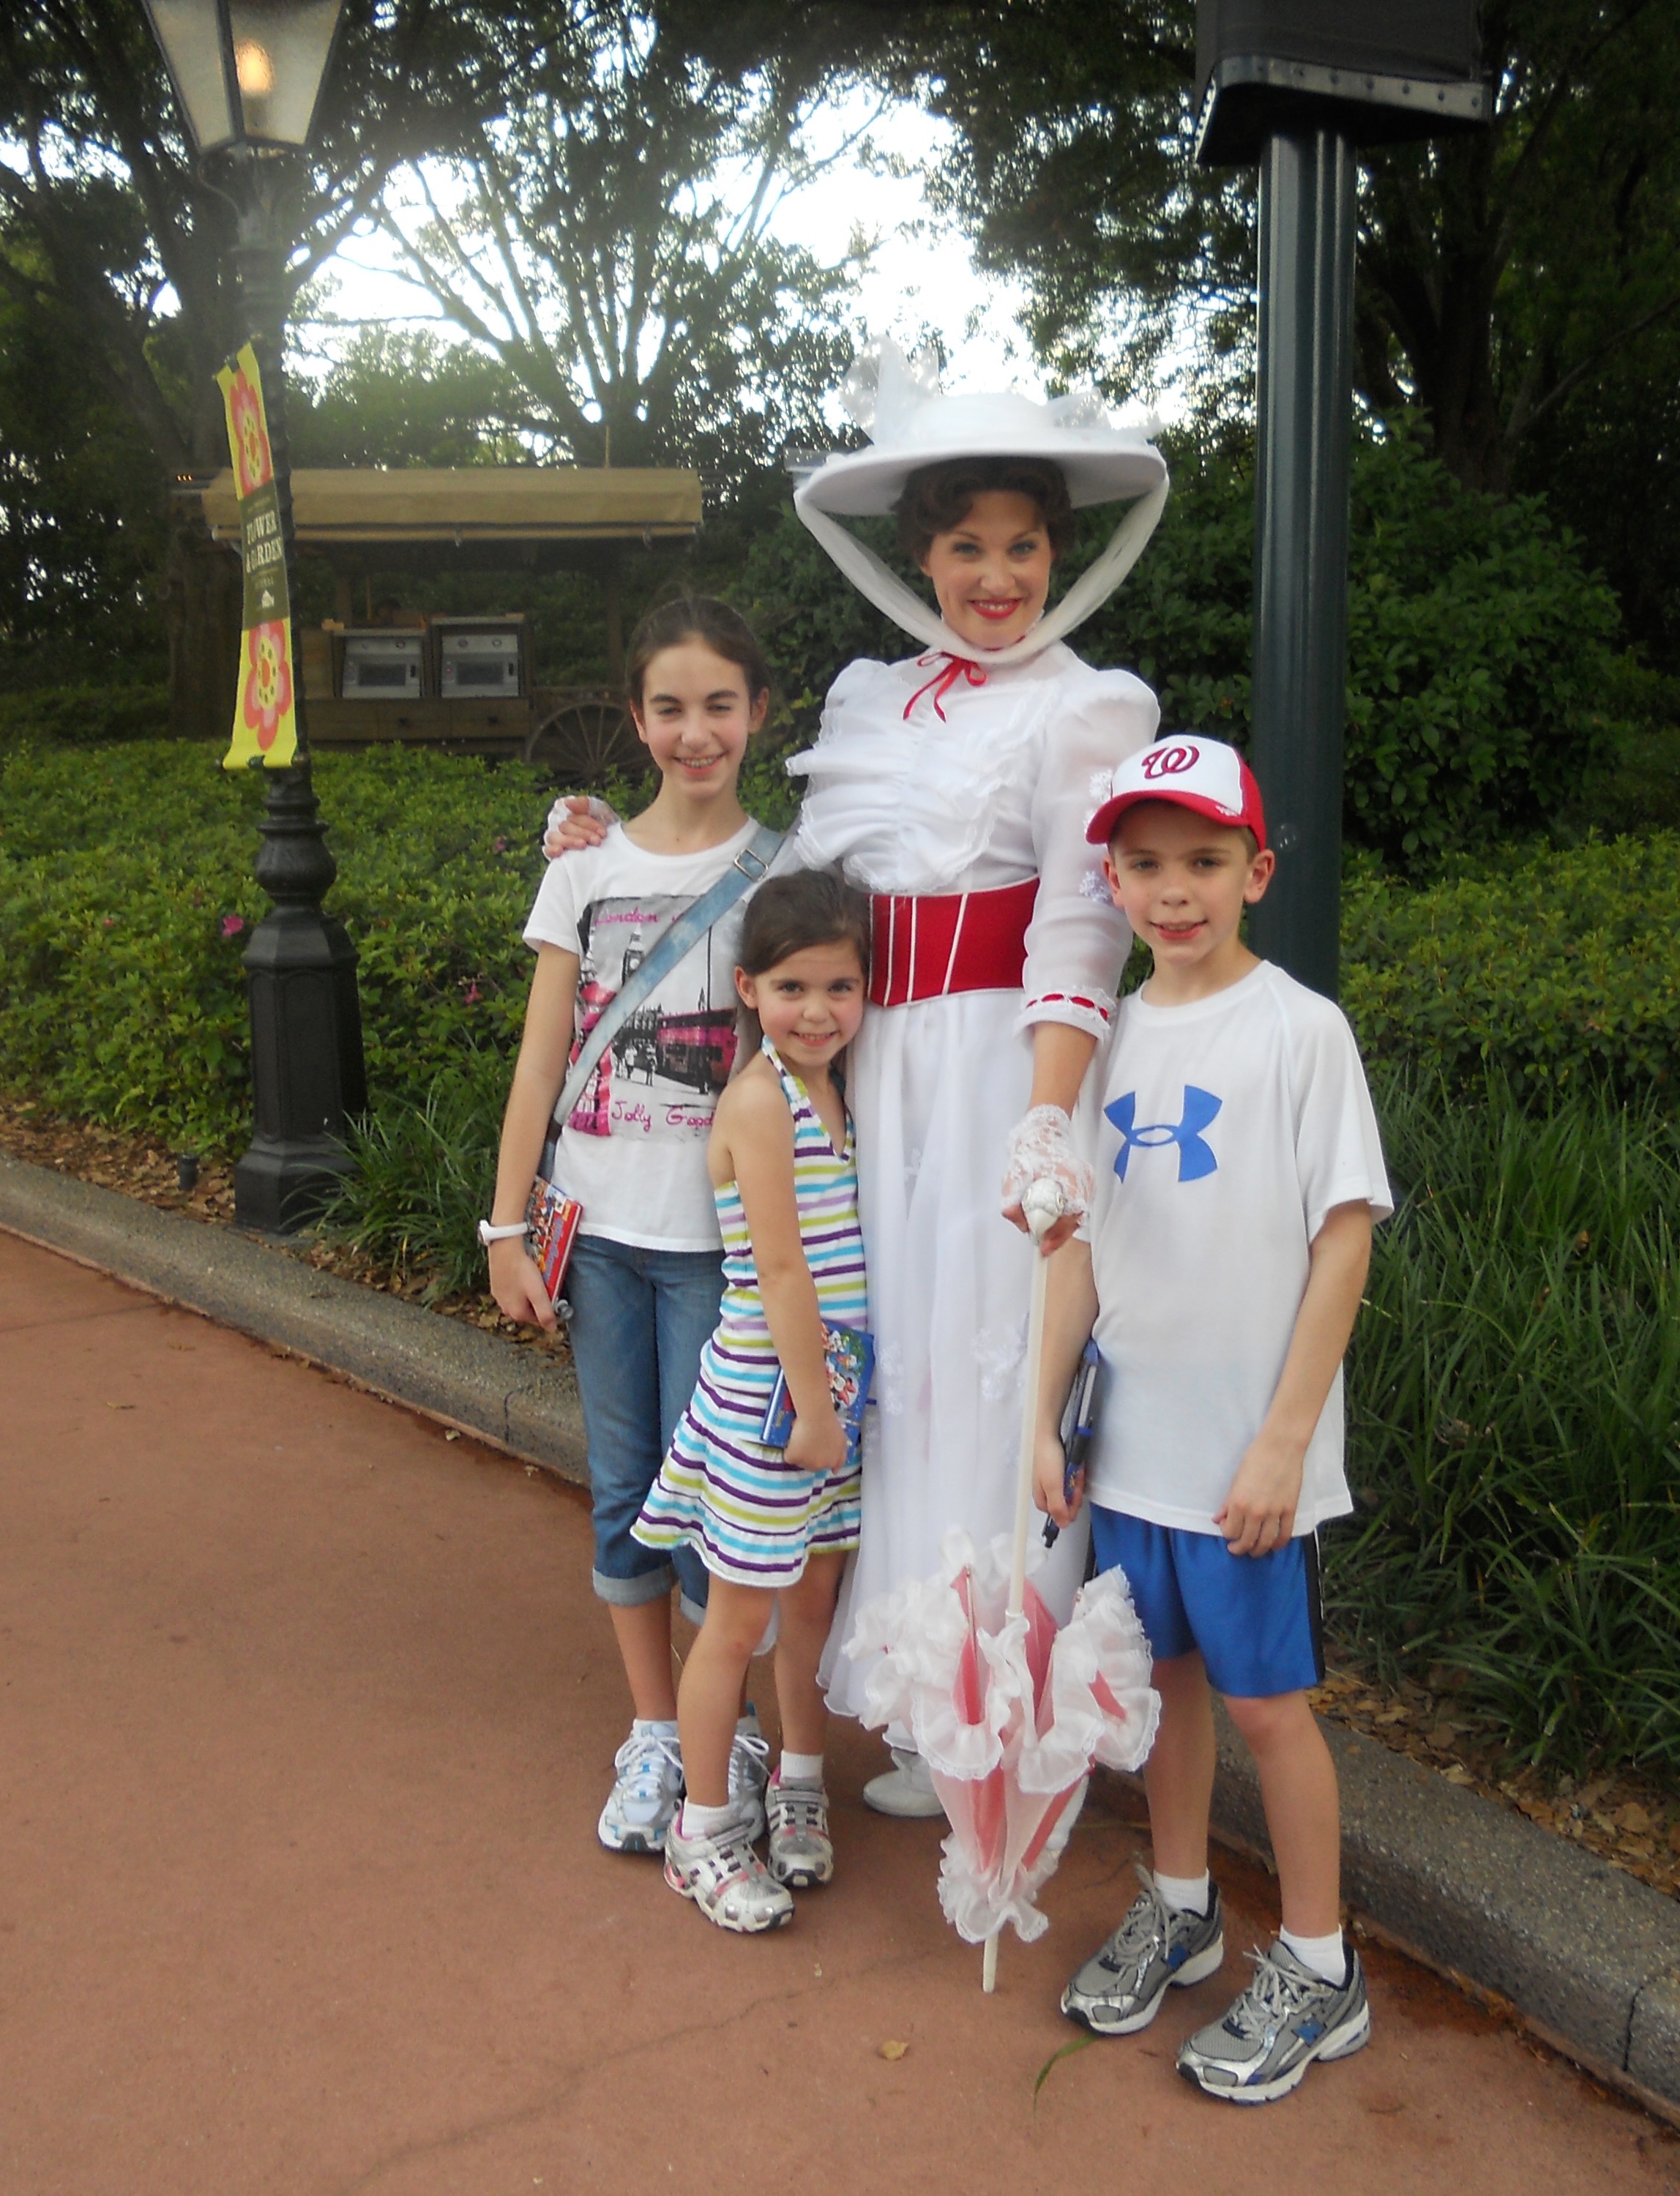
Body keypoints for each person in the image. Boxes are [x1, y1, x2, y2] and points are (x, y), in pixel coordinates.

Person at [547, 343, 1172, 1819]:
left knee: (988, 1372)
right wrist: (609, 834)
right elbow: (793, 889)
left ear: (1056, 557)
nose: (996, 575)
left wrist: (1042, 1110)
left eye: (1022, 547)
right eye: (967, 547)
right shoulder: (868, 697)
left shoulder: (1084, 705)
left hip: (993, 1072)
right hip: (861, 1073)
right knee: (878, 1374)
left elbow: (1083, 924)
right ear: (921, 556)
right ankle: (910, 1699)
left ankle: (1012, 1730)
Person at [1029, 739, 1392, 2104]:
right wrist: (1043, 1426)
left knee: (1267, 1707)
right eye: (1145, 864)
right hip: (1128, 1450)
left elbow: (1343, 1239)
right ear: (1112, 879)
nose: (1173, 891)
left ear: (1258, 870)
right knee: (1160, 1688)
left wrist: (1287, 1440)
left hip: (1246, 1463)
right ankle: (1182, 1905)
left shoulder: (1300, 1029)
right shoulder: (1103, 1030)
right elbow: (1077, 1250)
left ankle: (1319, 1961)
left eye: (1203, 861)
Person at [486, 597, 784, 1858]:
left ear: (758, 713)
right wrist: (506, 1226)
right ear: (636, 719)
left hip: (725, 1249)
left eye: (721, 704)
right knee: (623, 1492)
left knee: (727, 1502)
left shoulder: (790, 872)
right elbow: (543, 1055)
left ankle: (735, 1731)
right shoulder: (584, 868)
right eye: (671, 707)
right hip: (601, 1240)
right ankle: (658, 1732)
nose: (696, 731)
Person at [635, 869, 872, 1932]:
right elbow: (781, 1273)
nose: (817, 1010)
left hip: (834, 1394)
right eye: (791, 987)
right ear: (747, 987)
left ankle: (802, 1786)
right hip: (771, 1402)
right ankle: (706, 1834)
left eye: (840, 986)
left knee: (815, 1602)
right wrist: (815, 1411)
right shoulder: (758, 1101)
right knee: (737, 1621)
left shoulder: (842, 1088)